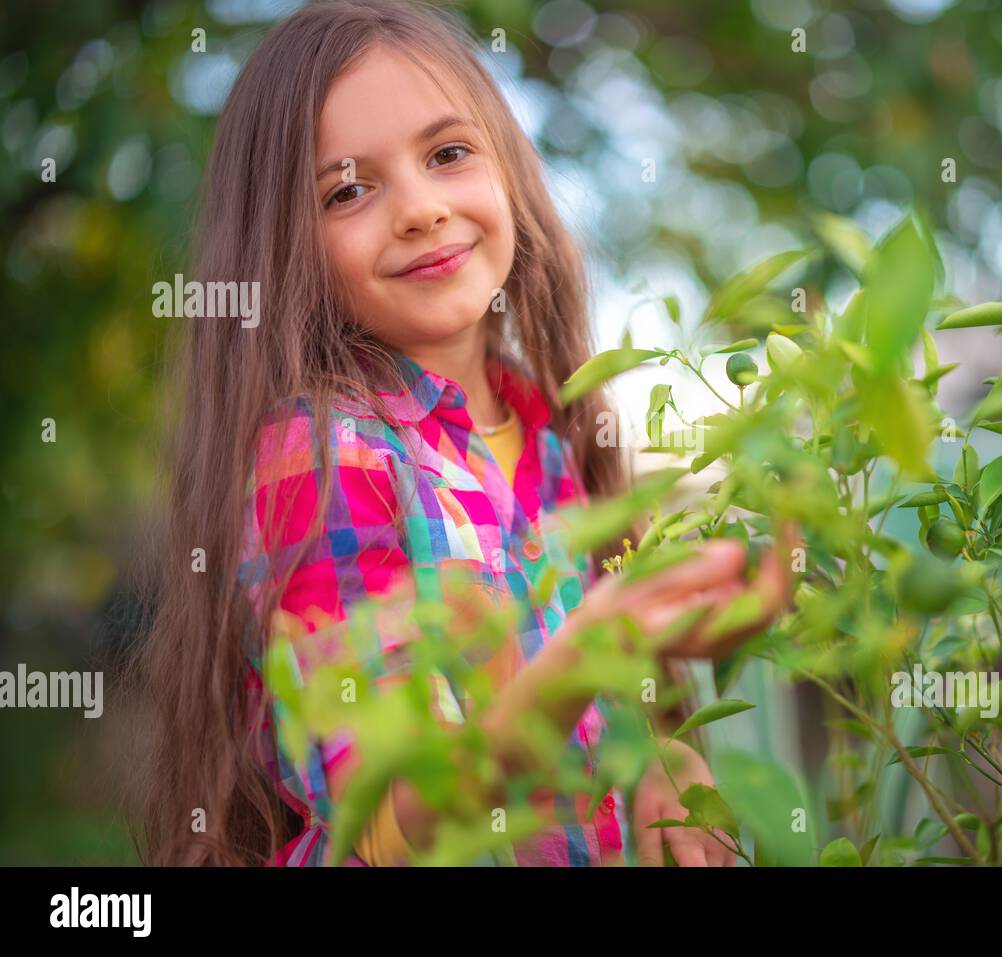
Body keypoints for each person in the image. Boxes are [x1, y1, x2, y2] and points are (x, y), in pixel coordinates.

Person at [136, 0, 793, 867]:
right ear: (284, 245)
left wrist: (653, 765)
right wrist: (602, 644)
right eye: (347, 190)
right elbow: (394, 819)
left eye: (448, 154)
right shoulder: (326, 458)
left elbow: (601, 727)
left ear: (509, 174)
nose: (419, 210)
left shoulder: (553, 436)